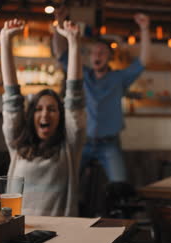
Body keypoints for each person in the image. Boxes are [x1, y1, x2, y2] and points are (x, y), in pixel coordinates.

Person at [52, 7, 151, 183]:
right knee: (67, 183)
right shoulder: (81, 74)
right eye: (94, 52)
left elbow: (143, 61)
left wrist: (144, 28)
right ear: (90, 57)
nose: (97, 55)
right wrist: (58, 22)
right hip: (82, 142)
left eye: (102, 52)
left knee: (120, 187)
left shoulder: (118, 78)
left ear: (109, 57)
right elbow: (61, 53)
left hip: (109, 144)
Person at [1, 19, 85, 216]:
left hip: (57, 236)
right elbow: (12, 100)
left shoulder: (70, 147)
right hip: (17, 234)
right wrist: (5, 41)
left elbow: (75, 100)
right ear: (31, 116)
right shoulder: (17, 145)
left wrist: (74, 43)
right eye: (38, 109)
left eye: (52, 109)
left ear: (61, 116)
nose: (45, 114)